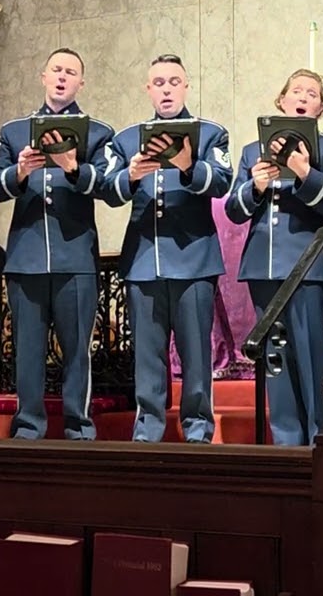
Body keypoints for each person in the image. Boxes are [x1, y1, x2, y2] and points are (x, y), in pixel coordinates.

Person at [100, 54, 232, 443]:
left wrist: (189, 165)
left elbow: (222, 182)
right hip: (144, 261)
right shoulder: (126, 139)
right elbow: (107, 191)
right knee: (147, 357)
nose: (167, 89)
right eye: (158, 82)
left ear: (186, 86)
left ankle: (197, 431)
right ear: (148, 89)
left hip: (194, 260)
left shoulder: (209, 133)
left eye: (174, 81)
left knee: (195, 357)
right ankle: (148, 431)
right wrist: (130, 175)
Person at [0, 48, 115, 440]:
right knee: (27, 351)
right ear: (42, 76)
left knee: (77, 351)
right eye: (56, 70)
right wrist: (20, 171)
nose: (62, 77)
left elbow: (112, 188)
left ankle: (79, 428)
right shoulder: (12, 131)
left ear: (81, 82)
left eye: (71, 72)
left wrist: (74, 168)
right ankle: (28, 427)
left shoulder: (98, 132)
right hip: (25, 260)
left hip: (76, 257)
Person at [225, 69, 323, 445]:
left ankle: (322, 438)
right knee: (275, 358)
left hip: (310, 267)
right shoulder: (252, 151)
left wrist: (303, 170)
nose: (302, 97)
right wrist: (255, 186)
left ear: (320, 108)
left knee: (313, 356)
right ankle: (286, 440)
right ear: (280, 101)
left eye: (311, 93)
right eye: (296, 90)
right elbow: (234, 209)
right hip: (264, 267)